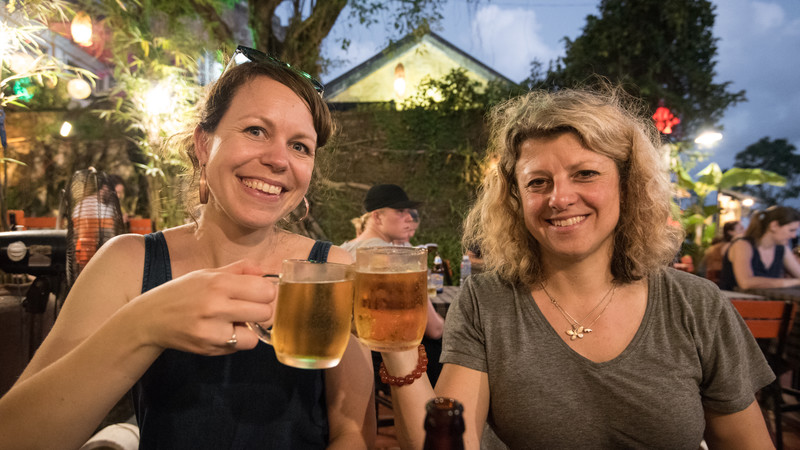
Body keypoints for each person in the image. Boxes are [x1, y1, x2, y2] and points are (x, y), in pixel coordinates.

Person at [0, 46, 375, 448]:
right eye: (255, 130)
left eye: (300, 146)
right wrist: (145, 325)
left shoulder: (332, 268)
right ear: (203, 143)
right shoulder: (129, 263)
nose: (279, 159)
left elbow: (354, 433)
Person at [379, 88, 774, 449]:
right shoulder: (487, 301)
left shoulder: (695, 304)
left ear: (627, 183)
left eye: (585, 173)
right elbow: (449, 439)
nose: (560, 198)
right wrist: (398, 350)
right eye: (538, 182)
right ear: (515, 198)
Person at [719, 206, 800, 290]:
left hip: (766, 301)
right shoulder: (742, 245)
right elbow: (746, 283)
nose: (794, 236)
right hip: (733, 301)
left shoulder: (782, 249)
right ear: (774, 226)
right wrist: (793, 282)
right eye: (791, 230)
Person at [703, 220, 744, 284]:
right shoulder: (729, 246)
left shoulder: (724, 245)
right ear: (731, 232)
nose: (744, 230)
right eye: (741, 228)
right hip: (723, 281)